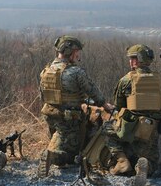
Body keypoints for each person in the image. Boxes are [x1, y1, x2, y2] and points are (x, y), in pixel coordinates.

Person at [37, 35, 113, 177]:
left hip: (50, 114)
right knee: (71, 155)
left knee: (60, 136)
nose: (78, 55)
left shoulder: (46, 71)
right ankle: (52, 157)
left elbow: (42, 95)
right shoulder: (75, 72)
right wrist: (105, 104)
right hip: (69, 117)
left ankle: (53, 149)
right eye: (77, 51)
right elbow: (92, 90)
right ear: (69, 51)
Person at [105, 44, 161, 186]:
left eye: (132, 58)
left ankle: (121, 160)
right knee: (152, 162)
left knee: (107, 129)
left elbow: (118, 106)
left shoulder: (126, 80)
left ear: (137, 60)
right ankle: (144, 166)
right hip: (151, 130)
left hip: (130, 128)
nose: (130, 62)